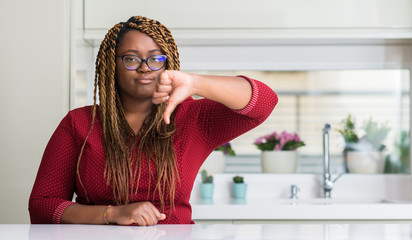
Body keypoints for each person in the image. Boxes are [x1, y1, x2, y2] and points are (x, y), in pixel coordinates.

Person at [29, 16, 278, 226]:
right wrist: (111, 213)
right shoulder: (80, 123)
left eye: (155, 58)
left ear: (167, 65)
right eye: (131, 58)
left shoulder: (194, 118)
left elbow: (265, 102)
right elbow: (42, 206)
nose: (145, 68)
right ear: (111, 65)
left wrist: (195, 82)